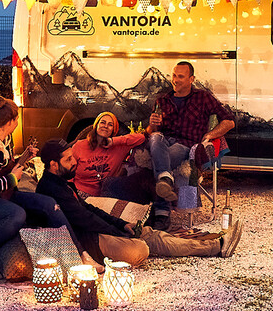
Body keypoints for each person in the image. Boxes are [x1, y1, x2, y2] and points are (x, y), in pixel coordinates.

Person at [36, 139, 243, 267]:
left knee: (152, 235)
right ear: (53, 165)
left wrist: (120, 224)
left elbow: (87, 208)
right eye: (68, 160)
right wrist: (117, 231)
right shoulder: (50, 188)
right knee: (142, 248)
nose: (75, 162)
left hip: (101, 231)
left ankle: (216, 245)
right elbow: (83, 219)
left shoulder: (62, 181)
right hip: (92, 242)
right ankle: (213, 245)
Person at [0, 95, 100, 279]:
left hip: (1, 194)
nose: (18, 122)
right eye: (16, 118)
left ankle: (80, 255)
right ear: (9, 122)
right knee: (17, 214)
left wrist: (23, 158)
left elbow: (2, 171)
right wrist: (12, 179)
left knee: (49, 203)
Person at [147, 61, 235, 230]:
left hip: (185, 145)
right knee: (156, 137)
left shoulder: (202, 97)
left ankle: (162, 212)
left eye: (180, 76)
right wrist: (152, 125)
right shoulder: (162, 100)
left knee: (157, 161)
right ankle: (165, 179)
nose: (175, 80)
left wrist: (209, 135)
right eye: (174, 75)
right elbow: (152, 131)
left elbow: (229, 121)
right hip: (163, 141)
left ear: (191, 79)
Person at [72, 111, 154, 204]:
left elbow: (140, 138)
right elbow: (68, 173)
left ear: (113, 130)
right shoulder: (80, 146)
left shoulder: (119, 147)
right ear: (96, 125)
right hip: (80, 192)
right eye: (102, 122)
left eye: (110, 125)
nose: (105, 126)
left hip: (104, 196)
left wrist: (114, 141)